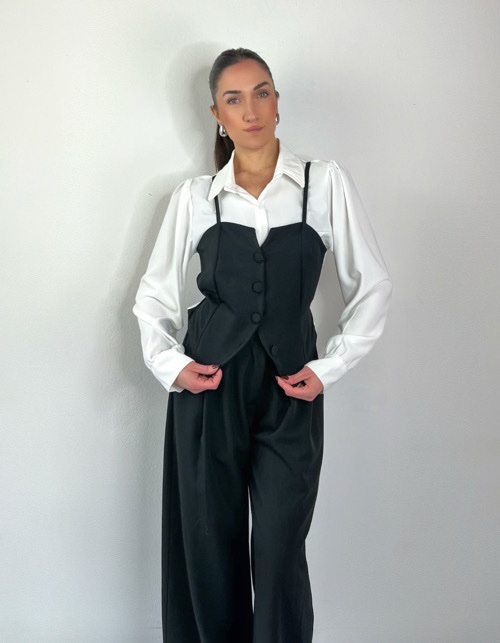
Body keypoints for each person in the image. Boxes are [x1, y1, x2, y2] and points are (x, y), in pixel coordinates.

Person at [133, 47, 392, 643]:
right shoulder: (196, 196)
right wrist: (172, 365)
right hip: (209, 388)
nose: (250, 109)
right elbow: (154, 296)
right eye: (234, 99)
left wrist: (330, 368)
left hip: (290, 390)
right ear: (217, 115)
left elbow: (373, 285)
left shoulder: (324, 183)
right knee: (209, 551)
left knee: (278, 554)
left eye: (262, 92)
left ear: (277, 102)